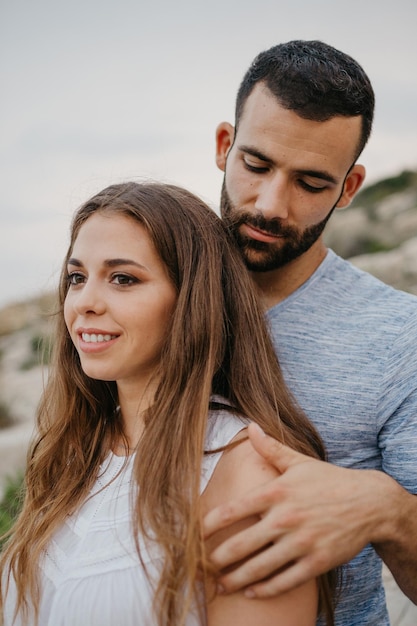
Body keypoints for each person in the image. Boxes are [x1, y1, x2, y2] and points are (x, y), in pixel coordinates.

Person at [0, 181, 337, 626]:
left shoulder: (244, 477)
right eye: (77, 277)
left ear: (193, 300)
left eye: (123, 278)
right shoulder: (75, 450)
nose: (84, 303)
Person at [204, 40, 417, 625]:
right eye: (256, 164)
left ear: (349, 189)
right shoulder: (145, 297)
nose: (272, 205)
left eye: (312, 183)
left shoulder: (401, 338)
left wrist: (389, 512)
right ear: (225, 146)